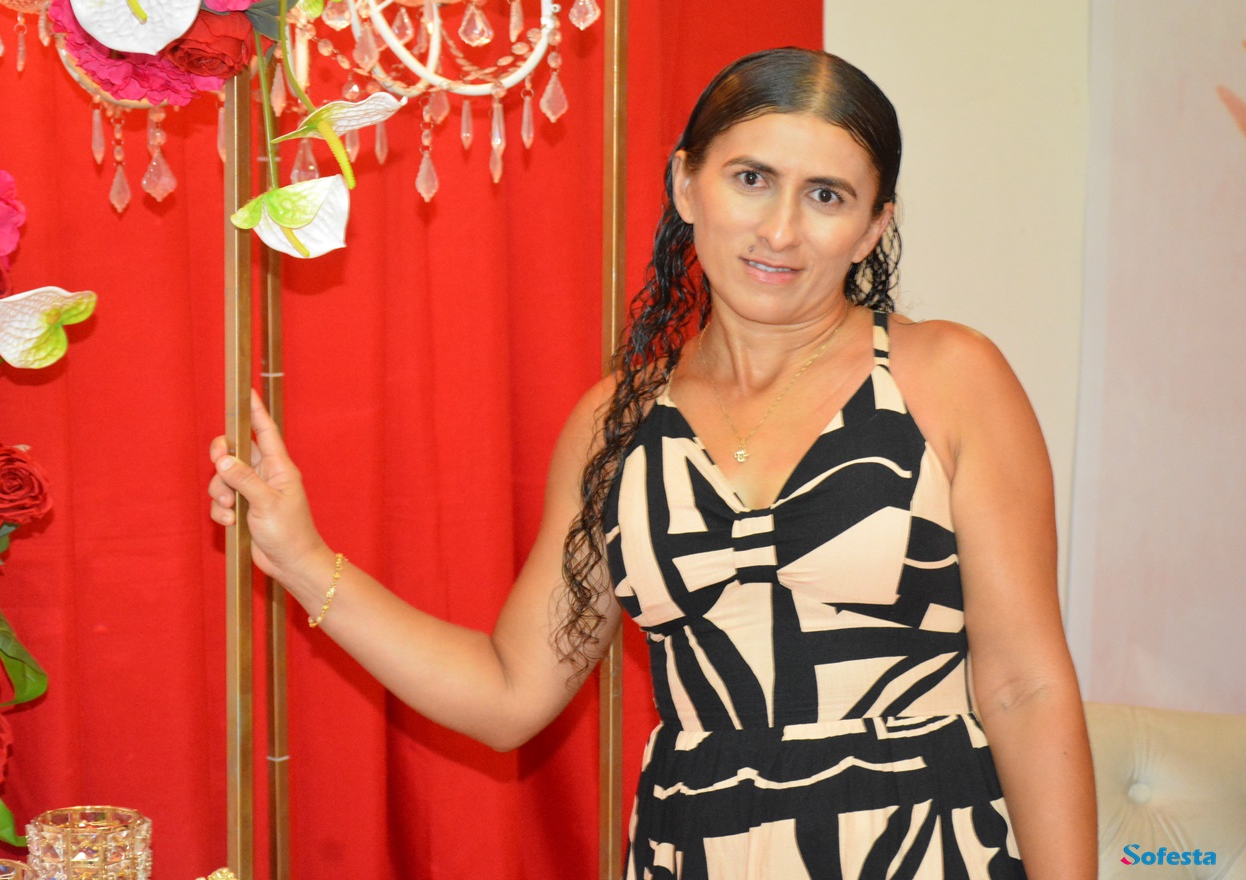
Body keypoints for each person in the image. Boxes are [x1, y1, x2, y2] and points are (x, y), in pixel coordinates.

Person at [210, 48, 1096, 879]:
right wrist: (302, 558)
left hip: (925, 846)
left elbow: (1025, 687)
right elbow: (511, 692)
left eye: (827, 196)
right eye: (751, 179)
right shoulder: (617, 425)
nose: (780, 230)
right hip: (695, 850)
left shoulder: (949, 377)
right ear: (685, 184)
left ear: (873, 228)